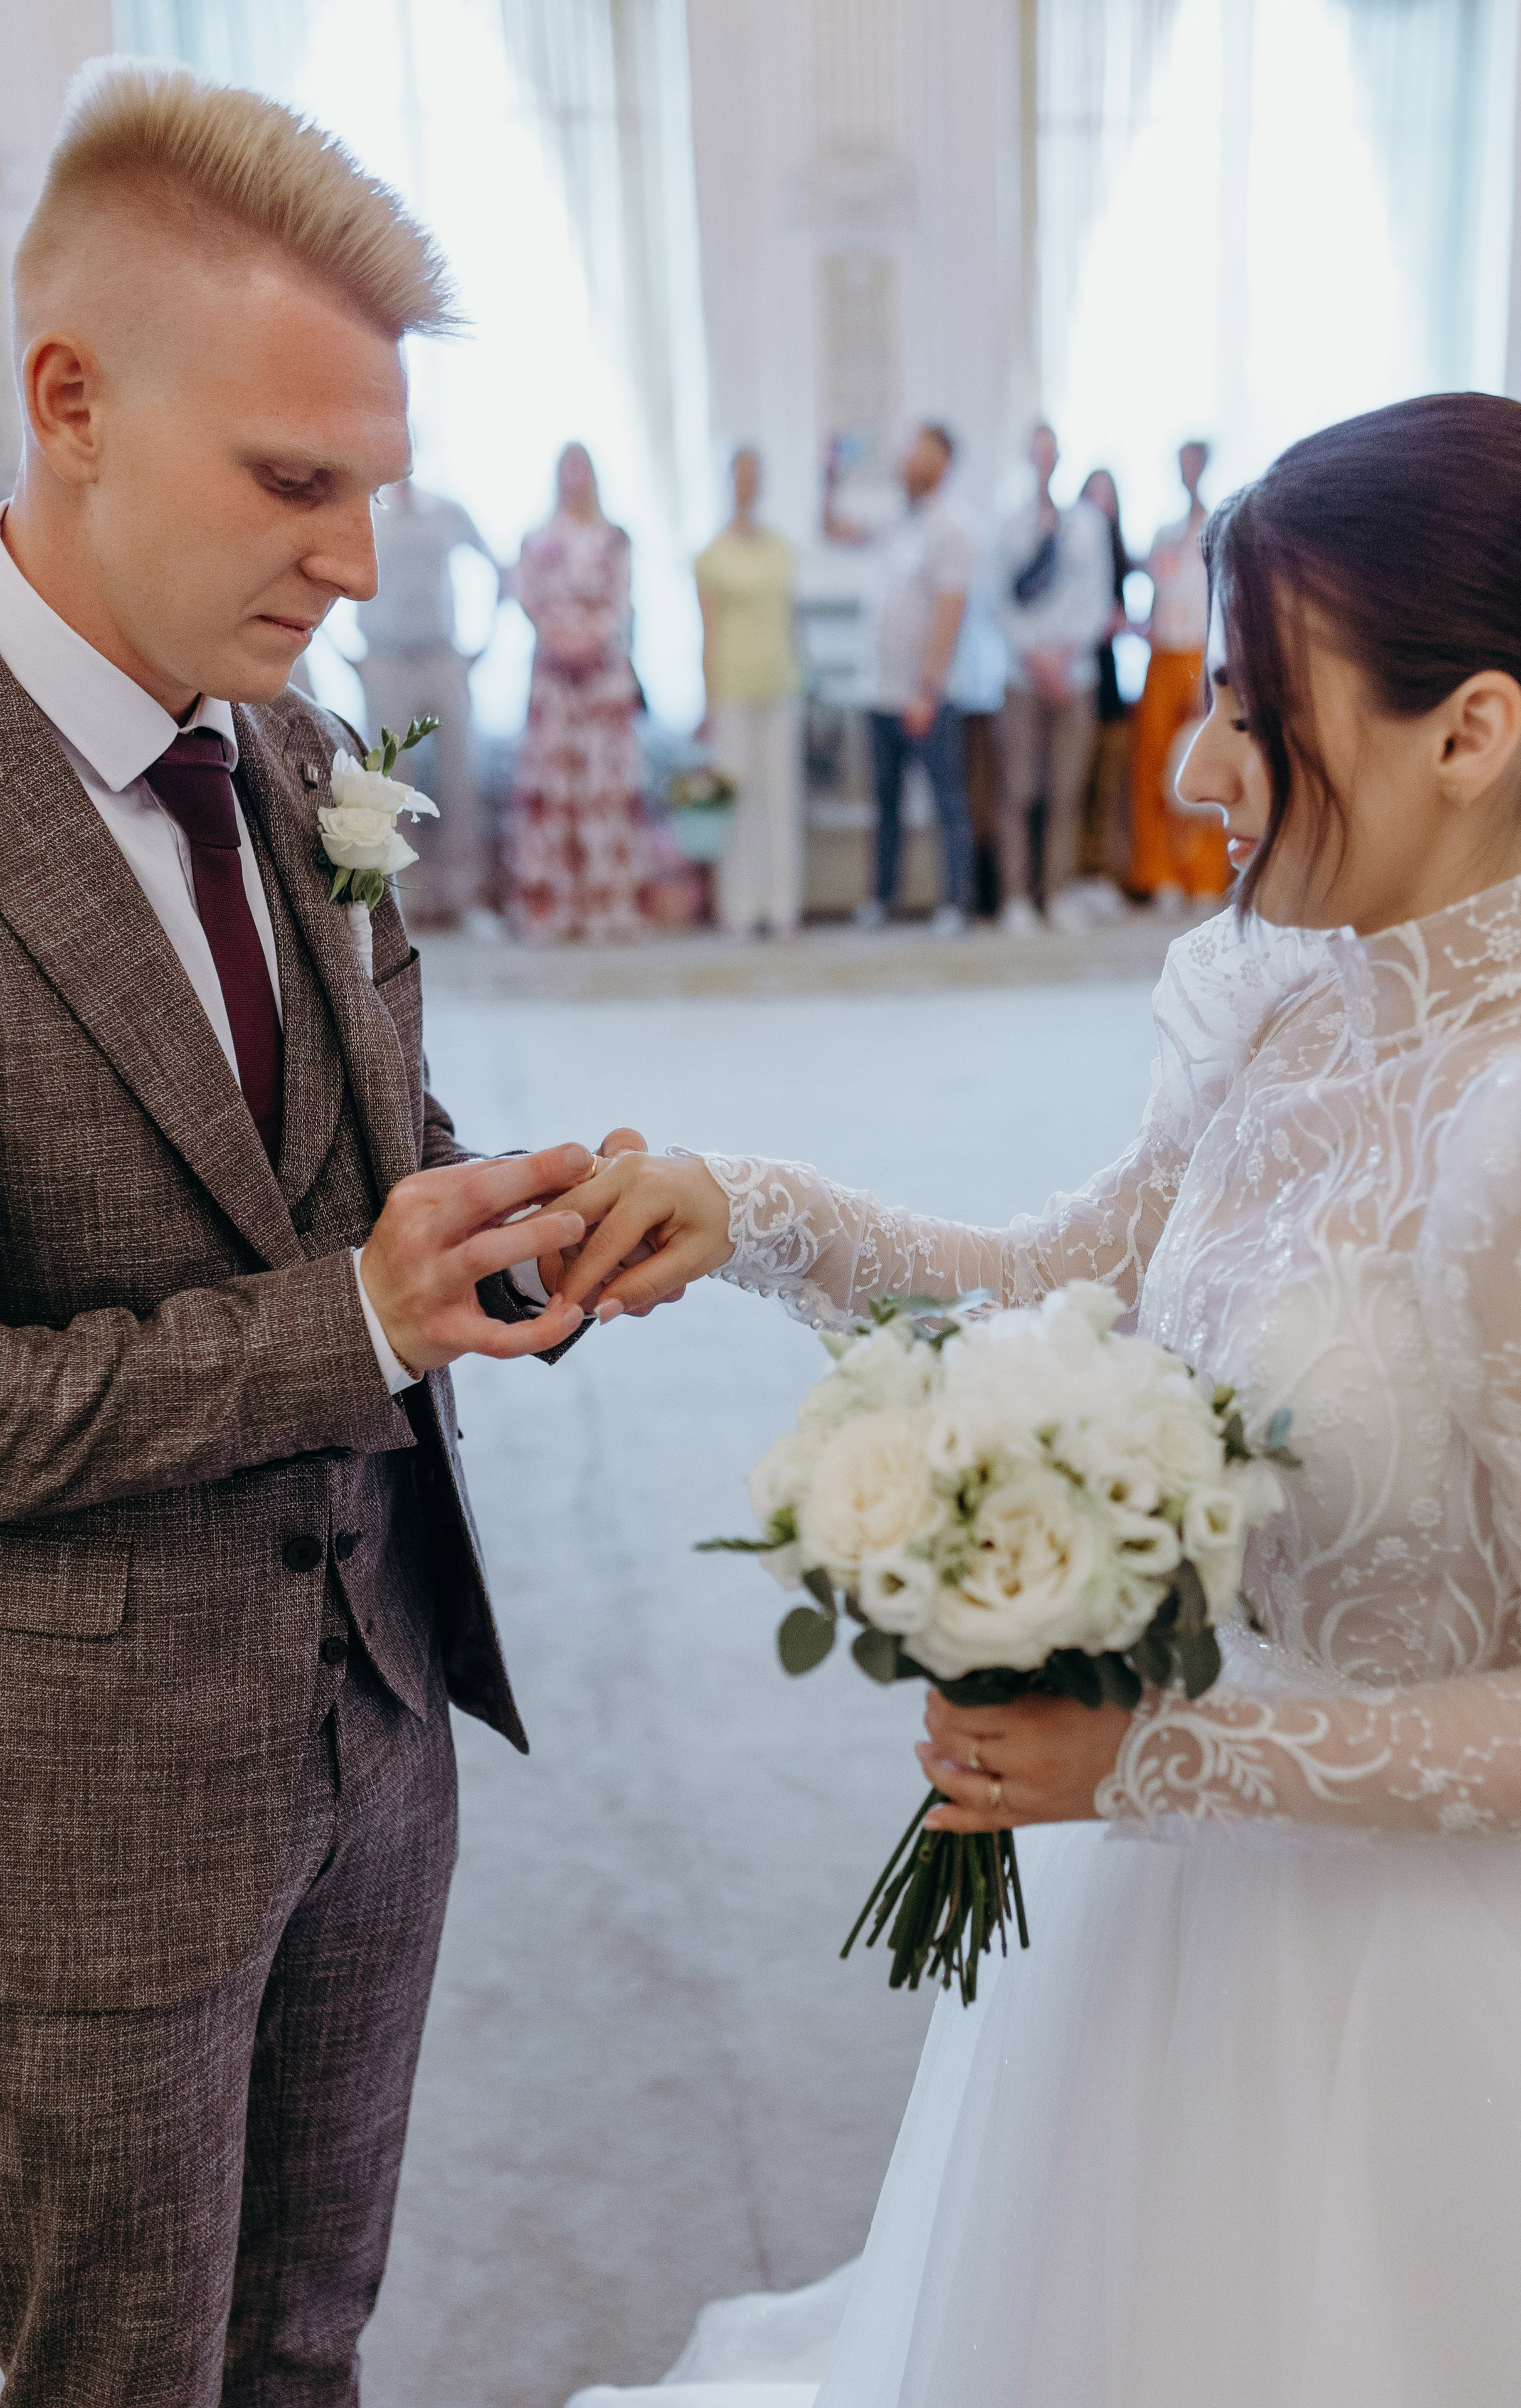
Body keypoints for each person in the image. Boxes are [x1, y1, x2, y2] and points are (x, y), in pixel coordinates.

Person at [554, 393, 1521, 2404]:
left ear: (1470, 733)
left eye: (1253, 712)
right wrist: (744, 1211)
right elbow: (1064, 1275)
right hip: (1162, 1929)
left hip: (1424, 1992)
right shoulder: (1292, 999)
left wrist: (1157, 1759)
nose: (1198, 771)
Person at [0, 60, 652, 2403]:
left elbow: (360, 1152)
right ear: (70, 402)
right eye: (295, 483)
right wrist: (345, 1324)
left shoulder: (297, 749)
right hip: (76, 1816)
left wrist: (511, 1225)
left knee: (311, 2338)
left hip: (376, 1720)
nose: (361, 562)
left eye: (374, 486)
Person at [825, 423, 974, 937]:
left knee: (944, 801)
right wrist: (829, 476)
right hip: (880, 690)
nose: (909, 459)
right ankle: (882, 897)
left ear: (943, 465)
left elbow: (950, 612)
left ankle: (955, 902)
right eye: (909, 450)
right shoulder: (893, 522)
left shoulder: (950, 529)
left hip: (926, 695)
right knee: (884, 804)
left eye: (921, 452)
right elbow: (833, 530)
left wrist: (927, 690)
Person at [509, 443, 657, 943]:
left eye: (583, 470)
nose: (576, 479)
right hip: (554, 681)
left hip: (603, 679)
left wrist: (589, 639)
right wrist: (561, 639)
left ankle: (608, 908)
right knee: (556, 791)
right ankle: (554, 911)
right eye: (567, 470)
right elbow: (528, 599)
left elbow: (621, 601)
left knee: (602, 791)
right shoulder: (536, 539)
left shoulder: (615, 539)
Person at [355, 475, 501, 926]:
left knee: (460, 780)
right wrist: (347, 654)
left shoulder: (446, 511)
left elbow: (497, 567)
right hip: (385, 661)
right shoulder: (365, 513)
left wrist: (484, 643)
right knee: (391, 783)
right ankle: (401, 904)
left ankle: (467, 898)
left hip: (441, 658)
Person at [993, 422, 1114, 938]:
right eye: (1035, 452)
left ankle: (1058, 891)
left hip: (1075, 676)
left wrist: (1065, 655)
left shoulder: (1086, 525)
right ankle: (1016, 897)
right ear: (1027, 457)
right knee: (1019, 790)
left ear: (1060, 458)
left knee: (1067, 791)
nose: (1044, 461)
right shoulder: (1008, 526)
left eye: (1051, 453)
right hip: (1022, 677)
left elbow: (1098, 598)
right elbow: (996, 601)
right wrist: (1034, 657)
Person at [696, 446, 802, 938]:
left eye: (753, 474)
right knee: (736, 799)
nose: (747, 482)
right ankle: (739, 907)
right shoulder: (712, 555)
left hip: (779, 685)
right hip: (732, 687)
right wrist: (707, 699)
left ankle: (781, 906)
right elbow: (707, 631)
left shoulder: (781, 549)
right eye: (739, 473)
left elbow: (791, 621)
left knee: (779, 798)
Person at [1129, 438, 1231, 909]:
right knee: (1154, 765)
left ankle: (1206, 877)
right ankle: (1161, 874)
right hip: (1162, 656)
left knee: (1202, 761)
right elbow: (1155, 594)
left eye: (1194, 464)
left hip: (1201, 656)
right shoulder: (1165, 533)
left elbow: (1224, 603)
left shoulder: (1220, 527)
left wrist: (1212, 671)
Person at [1078, 465, 1136, 904]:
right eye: (1094, 495)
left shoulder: (1119, 556)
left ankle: (1101, 873)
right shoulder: (1072, 551)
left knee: (1107, 787)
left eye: (1108, 496)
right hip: (1080, 680)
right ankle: (1078, 873)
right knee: (1077, 786)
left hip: (1111, 681)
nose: (1101, 505)